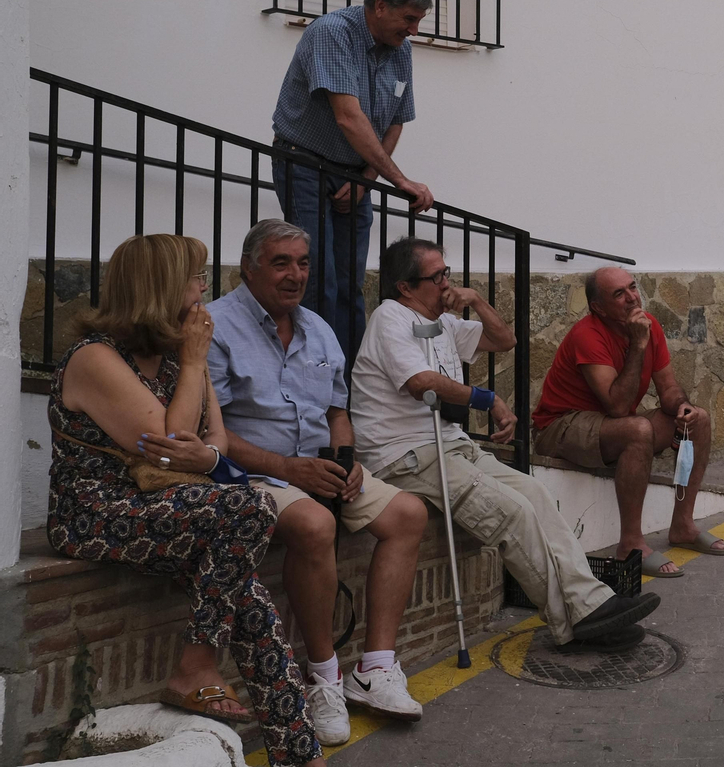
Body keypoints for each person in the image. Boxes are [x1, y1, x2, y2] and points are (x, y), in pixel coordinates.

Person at [47, 235, 324, 766]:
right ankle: (195, 666)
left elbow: (214, 438)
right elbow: (171, 445)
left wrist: (202, 451)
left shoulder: (177, 355)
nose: (204, 288)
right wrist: (195, 368)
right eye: (195, 277)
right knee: (250, 508)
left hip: (170, 509)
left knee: (249, 601)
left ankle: (302, 755)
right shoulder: (96, 359)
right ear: (159, 288)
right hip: (95, 512)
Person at [350, 238, 659, 645]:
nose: (447, 282)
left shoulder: (442, 321)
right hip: (405, 452)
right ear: (405, 287)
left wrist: (475, 299)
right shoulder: (391, 317)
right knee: (512, 513)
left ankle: (591, 603)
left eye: (448, 272)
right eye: (437, 276)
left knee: (534, 493)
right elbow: (419, 382)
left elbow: (503, 340)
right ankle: (575, 621)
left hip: (448, 443)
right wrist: (488, 399)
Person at [208, 221, 430, 745]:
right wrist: (290, 470)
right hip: (253, 471)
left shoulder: (319, 328)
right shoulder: (215, 325)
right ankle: (322, 677)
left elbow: (337, 412)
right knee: (311, 525)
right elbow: (210, 431)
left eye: (303, 263)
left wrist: (346, 461)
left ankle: (374, 669)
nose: (296, 275)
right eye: (281, 262)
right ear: (250, 266)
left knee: (408, 514)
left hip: (318, 466)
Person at [270, 0, 437, 362]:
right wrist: (399, 181)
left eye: (418, 21)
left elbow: (395, 120)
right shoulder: (332, 32)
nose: (413, 30)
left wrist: (368, 178)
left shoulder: (402, 51)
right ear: (380, 6)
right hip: (305, 165)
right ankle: (315, 377)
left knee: (349, 286)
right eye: (409, 19)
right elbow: (348, 117)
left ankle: (349, 387)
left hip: (354, 174)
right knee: (316, 281)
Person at [534, 268, 724, 578]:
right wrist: (637, 345)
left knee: (699, 420)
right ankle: (630, 544)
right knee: (637, 430)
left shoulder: (650, 327)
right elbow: (619, 407)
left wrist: (682, 406)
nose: (632, 298)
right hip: (560, 426)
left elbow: (668, 389)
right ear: (598, 307)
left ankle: (683, 526)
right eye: (619, 294)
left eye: (632, 288)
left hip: (607, 425)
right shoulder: (589, 334)